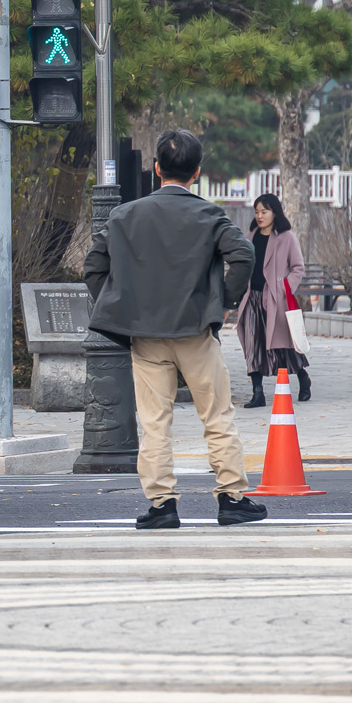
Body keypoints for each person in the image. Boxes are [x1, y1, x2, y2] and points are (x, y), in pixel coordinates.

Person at [85, 128, 269, 530]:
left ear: (156, 169)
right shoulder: (209, 215)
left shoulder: (124, 216)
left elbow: (93, 266)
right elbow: (242, 255)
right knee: (217, 415)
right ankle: (231, 497)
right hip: (195, 331)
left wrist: (123, 307)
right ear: (197, 173)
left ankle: (162, 504)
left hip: (146, 336)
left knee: (154, 422)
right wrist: (221, 304)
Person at [232, 192, 309, 407]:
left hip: (276, 299)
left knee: (283, 347)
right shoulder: (250, 237)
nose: (259, 216)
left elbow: (297, 267)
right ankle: (258, 393)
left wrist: (285, 288)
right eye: (257, 212)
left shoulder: (286, 237)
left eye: (264, 211)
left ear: (274, 212)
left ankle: (303, 378)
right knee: (252, 344)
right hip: (252, 298)